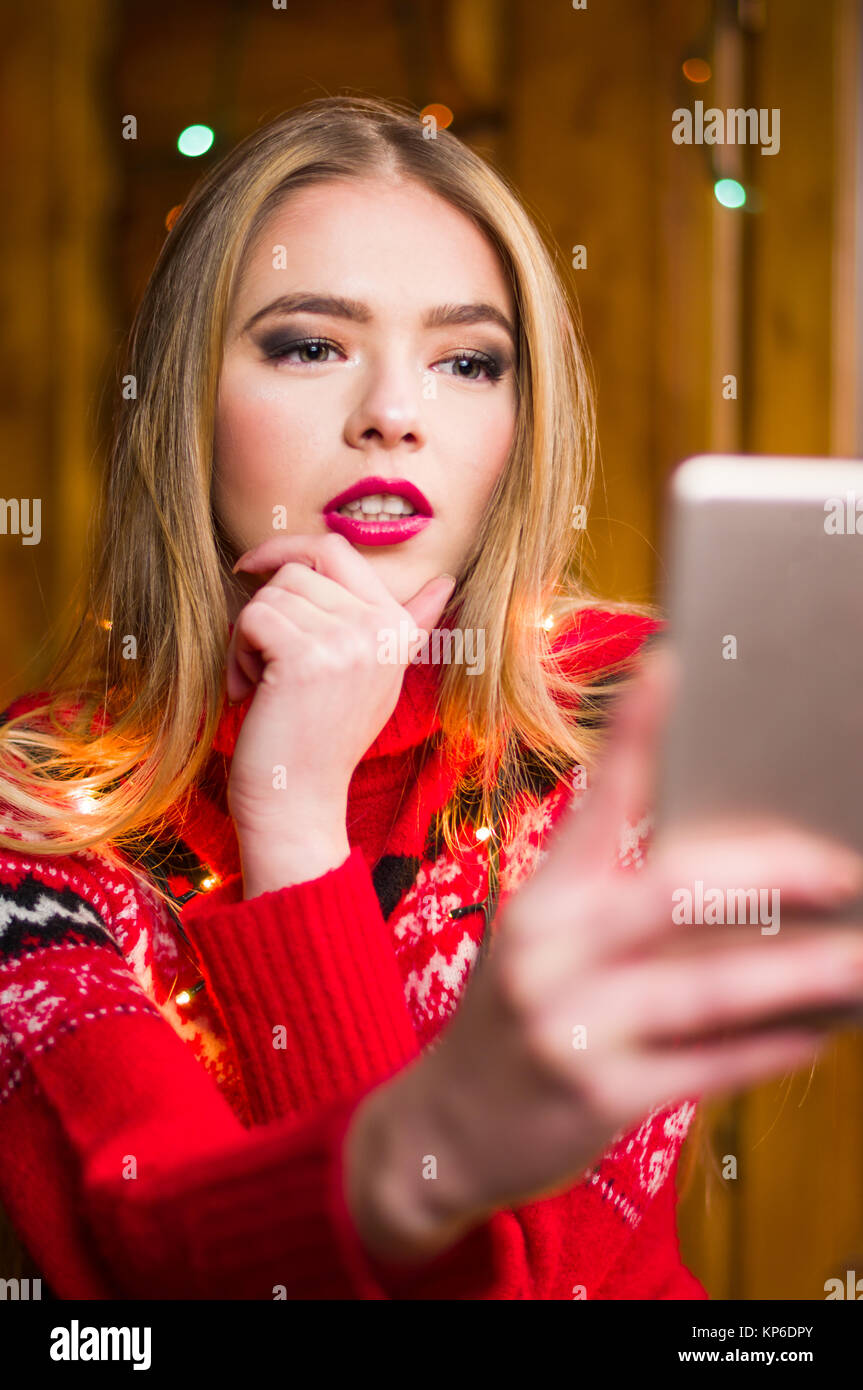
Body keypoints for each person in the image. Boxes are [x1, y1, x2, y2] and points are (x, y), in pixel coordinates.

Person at [0, 94, 861, 1302]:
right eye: (308, 345)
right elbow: (151, 1248)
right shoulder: (38, 807)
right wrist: (291, 811)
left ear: (519, 416)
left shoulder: (627, 720)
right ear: (184, 403)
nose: (393, 415)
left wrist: (299, 833)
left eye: (466, 361)